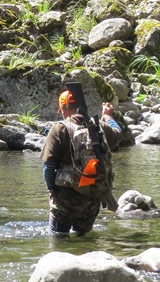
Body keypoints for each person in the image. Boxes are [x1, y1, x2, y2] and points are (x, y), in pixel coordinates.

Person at [40, 90, 122, 235]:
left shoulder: (60, 128)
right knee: (84, 239)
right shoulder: (99, 127)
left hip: (66, 196)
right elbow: (118, 132)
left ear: (63, 108)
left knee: (58, 238)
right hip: (92, 198)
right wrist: (108, 116)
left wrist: (50, 188)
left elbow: (49, 166)